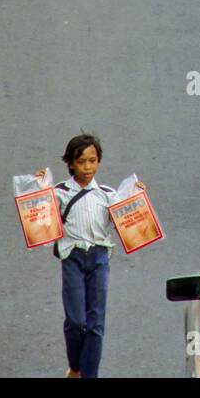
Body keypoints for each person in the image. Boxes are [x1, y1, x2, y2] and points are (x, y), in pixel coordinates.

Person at [50, 133, 133, 379]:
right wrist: (37, 187)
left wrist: (136, 197)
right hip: (72, 258)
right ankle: (75, 367)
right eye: (82, 162)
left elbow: (126, 223)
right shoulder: (60, 193)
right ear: (71, 164)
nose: (88, 167)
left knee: (95, 324)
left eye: (93, 161)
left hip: (99, 259)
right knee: (76, 321)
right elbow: (38, 215)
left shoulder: (108, 195)